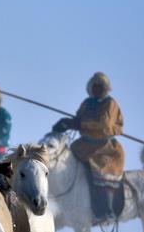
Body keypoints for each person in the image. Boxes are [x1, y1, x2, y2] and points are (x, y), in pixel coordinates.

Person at [52, 72, 125, 223]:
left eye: (100, 87)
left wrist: (81, 124)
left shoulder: (110, 103)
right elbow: (78, 119)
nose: (97, 90)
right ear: (91, 88)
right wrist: (67, 123)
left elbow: (105, 126)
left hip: (104, 147)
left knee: (100, 173)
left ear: (105, 88)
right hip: (84, 144)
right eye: (95, 87)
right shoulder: (87, 103)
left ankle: (107, 209)